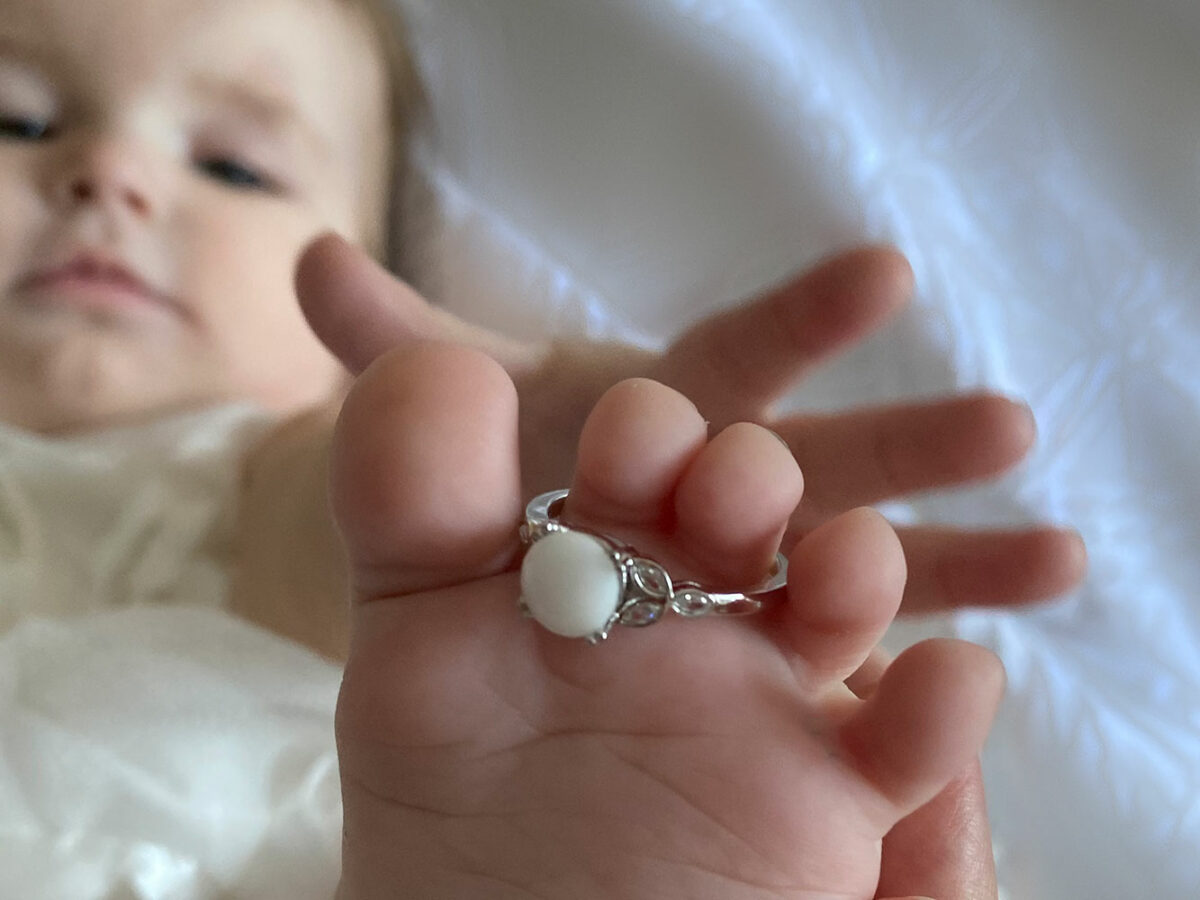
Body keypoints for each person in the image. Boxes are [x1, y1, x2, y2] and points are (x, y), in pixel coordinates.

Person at [0, 0, 1086, 895]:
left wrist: (494, 503)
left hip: (284, 829)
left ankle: (584, 814)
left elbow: (310, 545)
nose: (109, 173)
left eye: (235, 168)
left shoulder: (244, 476)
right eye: (17, 120)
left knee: (414, 628)